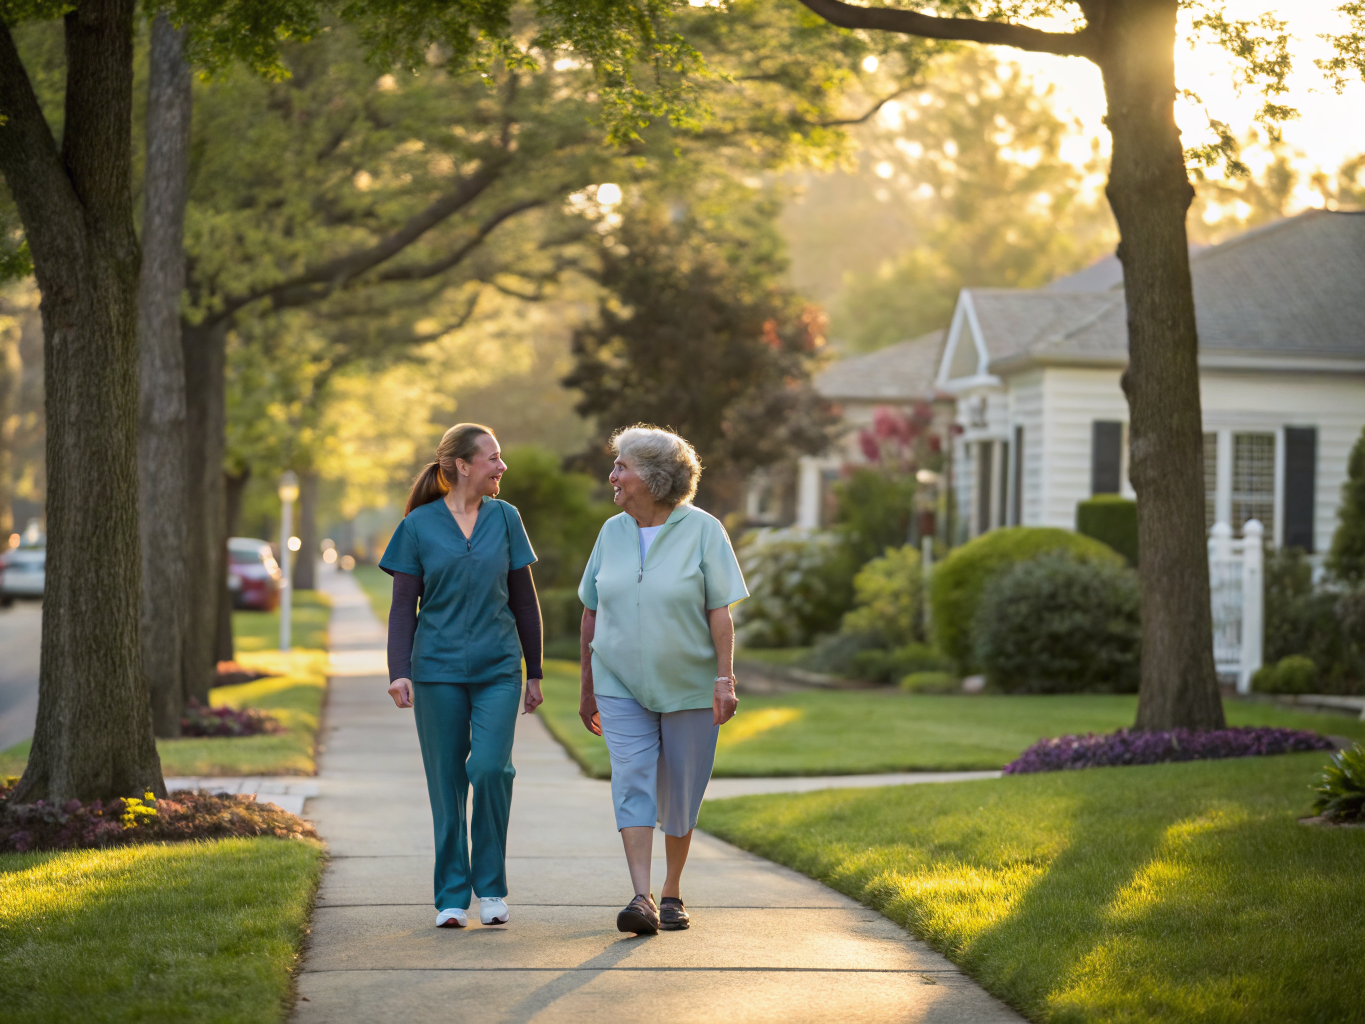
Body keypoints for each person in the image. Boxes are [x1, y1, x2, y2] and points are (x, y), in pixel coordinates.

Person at [578, 425, 748, 935]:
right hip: (619, 679)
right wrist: (587, 686)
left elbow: (720, 613)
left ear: (651, 478)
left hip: (690, 685)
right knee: (631, 780)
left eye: (622, 467)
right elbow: (590, 610)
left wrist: (724, 680)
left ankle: (671, 889)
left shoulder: (703, 530)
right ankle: (641, 896)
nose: (613, 476)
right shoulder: (611, 532)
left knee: (680, 787)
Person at [381, 423, 544, 930]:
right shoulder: (417, 526)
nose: (502, 467)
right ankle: (452, 896)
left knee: (491, 769)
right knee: (446, 782)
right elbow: (404, 606)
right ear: (463, 466)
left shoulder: (507, 518)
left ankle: (490, 887)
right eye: (493, 458)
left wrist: (533, 671)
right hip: (437, 671)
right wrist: (399, 671)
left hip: (498, 668)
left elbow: (524, 600)